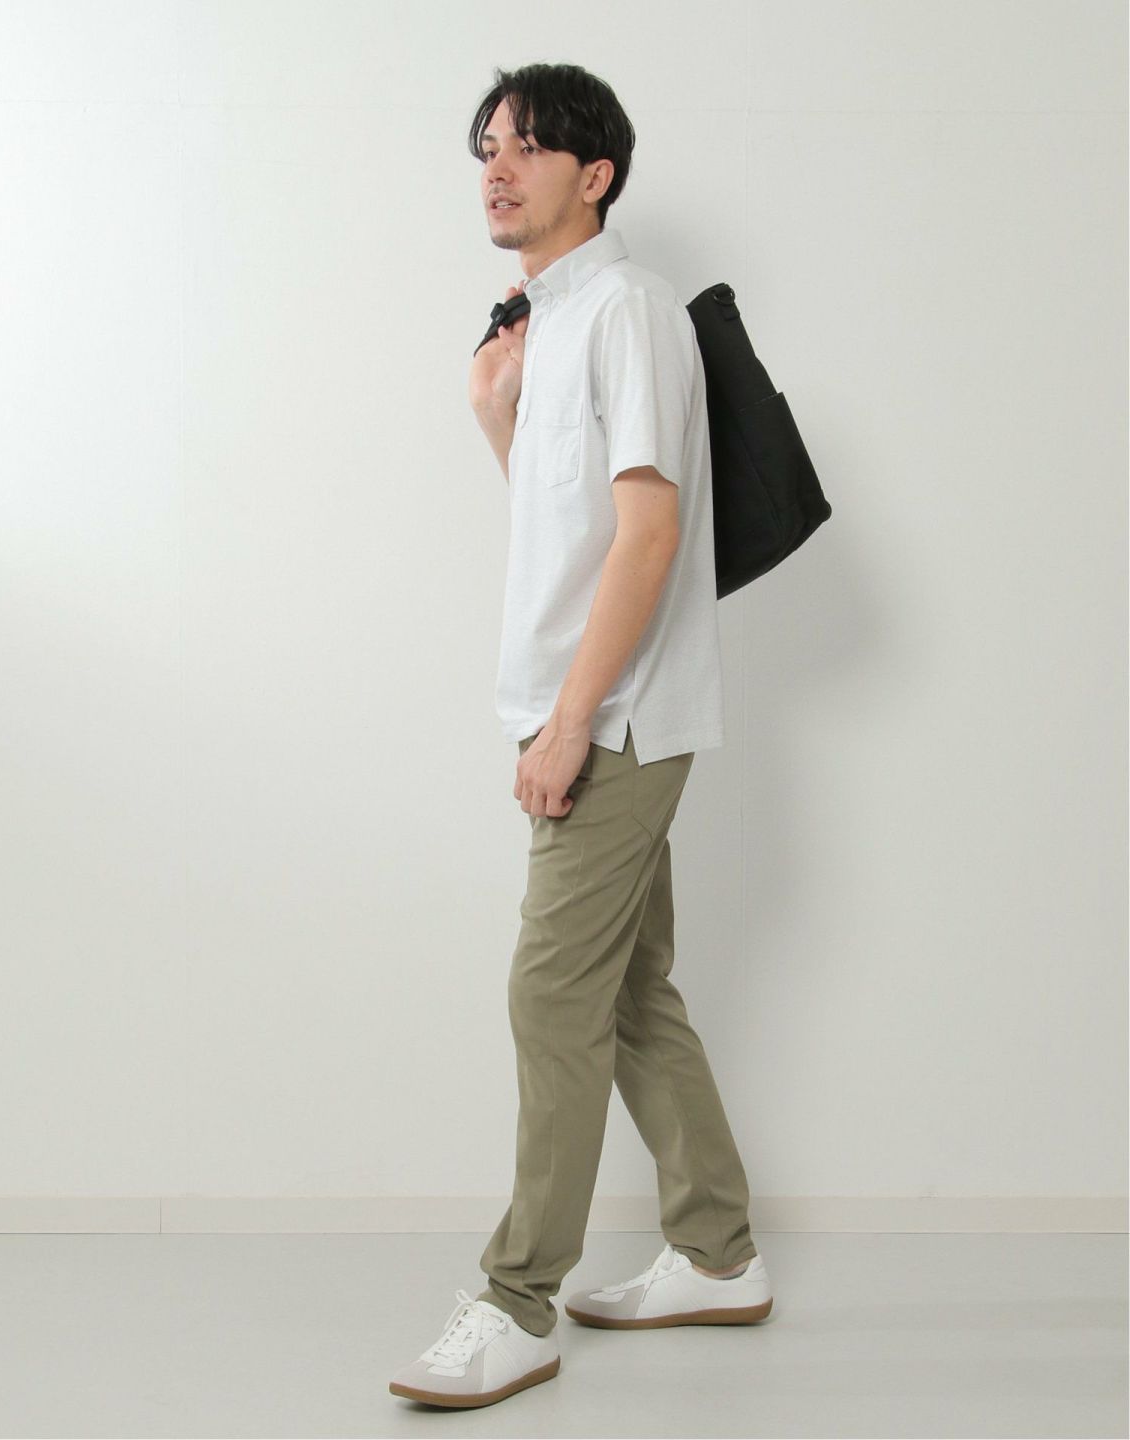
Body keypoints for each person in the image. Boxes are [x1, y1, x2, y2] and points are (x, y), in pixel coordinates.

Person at [389, 62, 773, 1411]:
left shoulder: (629, 310)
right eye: (487, 148)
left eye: (530, 147)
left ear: (595, 174)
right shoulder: (549, 330)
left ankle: (516, 1302)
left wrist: (568, 727)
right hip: (580, 708)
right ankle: (718, 1253)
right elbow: (577, 534)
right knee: (624, 991)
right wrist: (499, 419)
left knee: (548, 994)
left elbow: (652, 537)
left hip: (614, 719)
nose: (497, 169)